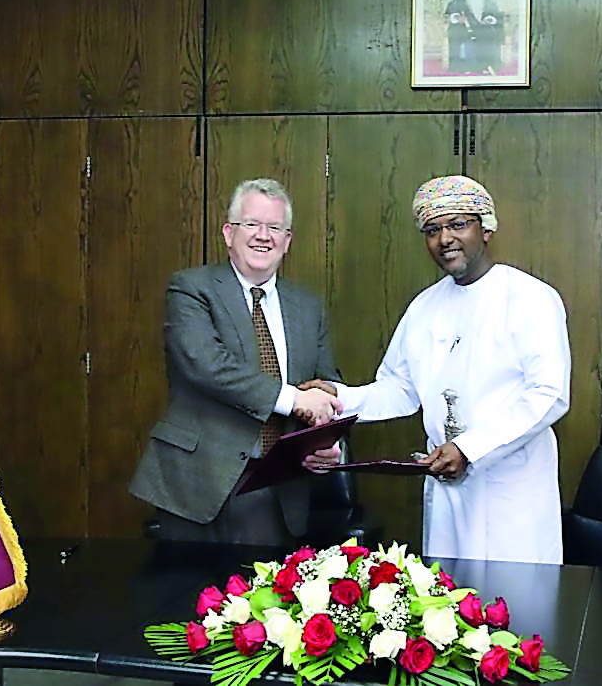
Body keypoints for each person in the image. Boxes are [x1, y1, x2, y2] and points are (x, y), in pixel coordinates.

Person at [305, 176, 570, 564]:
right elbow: (399, 389)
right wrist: (337, 396)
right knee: (447, 607)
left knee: (516, 609)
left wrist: (469, 448)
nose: (445, 238)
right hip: (447, 485)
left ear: (486, 228)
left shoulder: (531, 298)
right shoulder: (425, 307)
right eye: (433, 230)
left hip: (510, 487)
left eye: (458, 225)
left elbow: (549, 395)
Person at [130, 178, 343, 545]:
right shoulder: (191, 288)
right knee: (184, 598)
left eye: (275, 227)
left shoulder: (308, 307)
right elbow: (205, 364)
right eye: (252, 225)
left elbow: (325, 382)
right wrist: (294, 398)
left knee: (264, 597)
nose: (264, 236)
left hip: (277, 482)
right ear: (229, 233)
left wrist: (324, 438)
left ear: (287, 241)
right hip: (197, 480)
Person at [445, 0, 504, 74]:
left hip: (484, 30)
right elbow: (451, 13)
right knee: (461, 37)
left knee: (491, 35)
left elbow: (495, 15)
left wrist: (489, 20)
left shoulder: (489, 0)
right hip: (465, 30)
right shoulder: (459, 0)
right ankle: (466, 67)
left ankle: (488, 65)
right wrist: (458, 18)